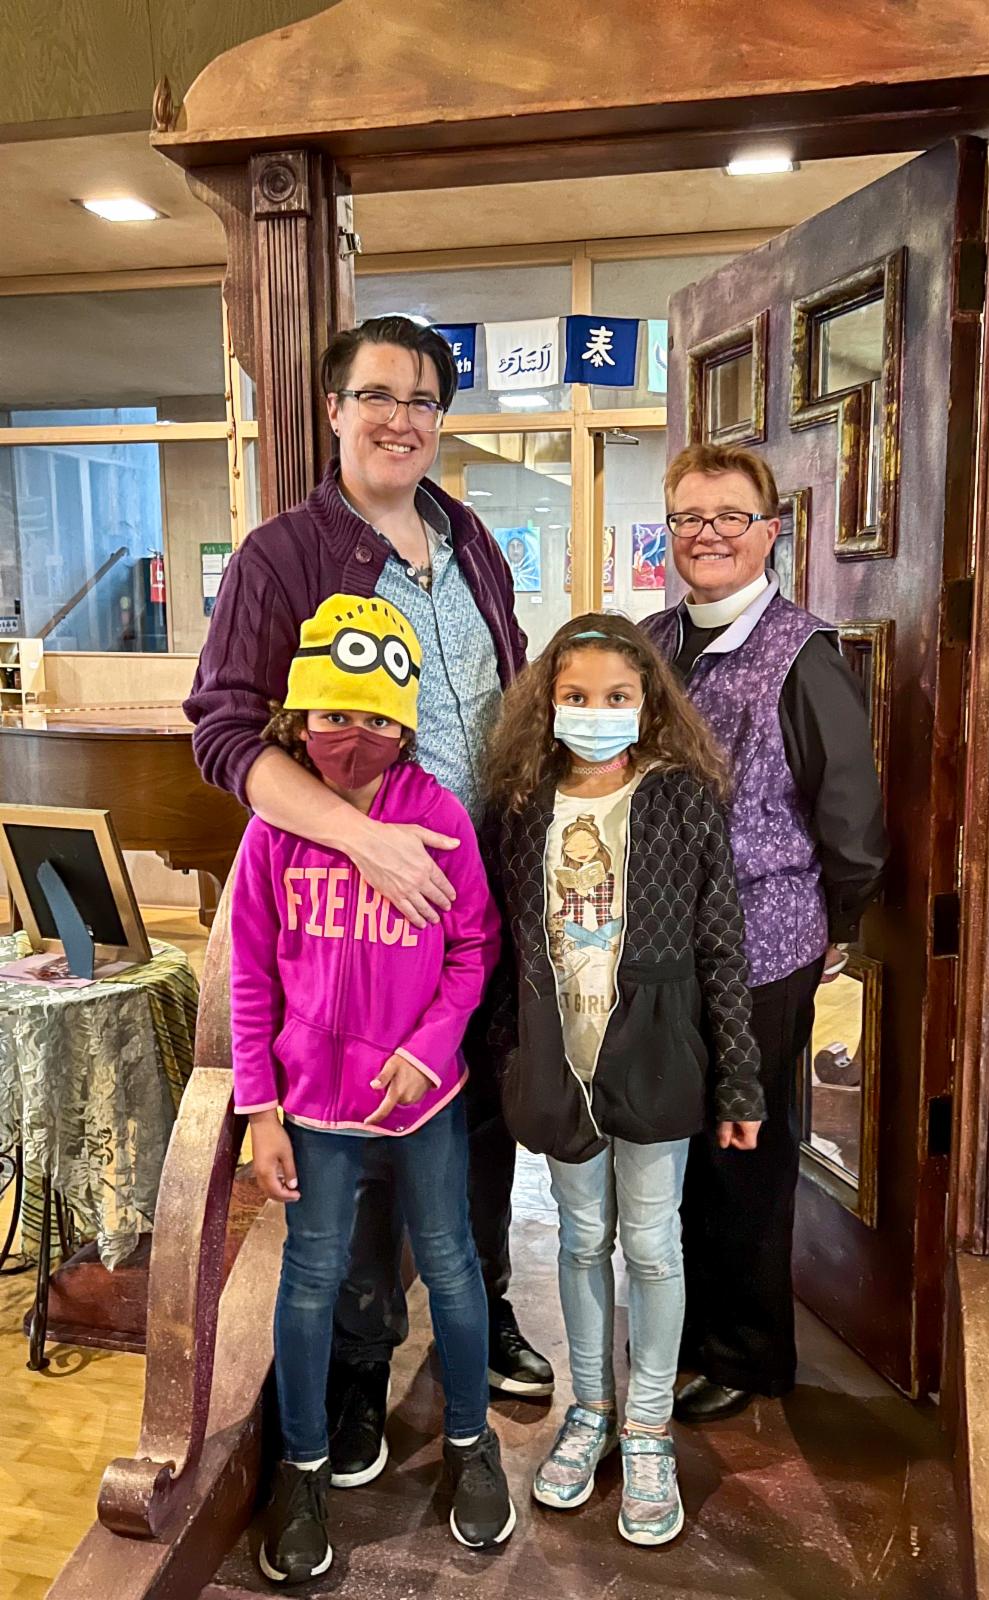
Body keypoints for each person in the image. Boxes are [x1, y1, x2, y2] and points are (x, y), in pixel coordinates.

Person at [186, 316, 553, 1494]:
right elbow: (225, 735)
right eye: (379, 395)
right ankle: (354, 1368)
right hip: (351, 903)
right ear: (335, 409)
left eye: (424, 399)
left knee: (471, 1116)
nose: (403, 418)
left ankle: (482, 1314)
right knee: (353, 1145)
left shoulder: (471, 540)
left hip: (477, 891)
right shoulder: (282, 556)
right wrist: (365, 840)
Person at [231, 595, 515, 1581]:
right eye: (334, 716)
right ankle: (304, 1467)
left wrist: (431, 1049)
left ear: (408, 722)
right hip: (312, 1108)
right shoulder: (275, 830)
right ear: (298, 716)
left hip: (423, 1104)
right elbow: (252, 974)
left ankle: (473, 1440)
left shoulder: (438, 816)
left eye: (378, 720)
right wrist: (259, 1107)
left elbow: (474, 947)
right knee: (310, 1279)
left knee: (452, 1265)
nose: (355, 738)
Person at [484, 614, 765, 1546]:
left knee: (652, 1245)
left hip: (655, 1055)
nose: (594, 712)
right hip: (557, 1056)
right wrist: (508, 1060)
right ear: (547, 703)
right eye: (575, 696)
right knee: (580, 1240)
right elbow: (504, 947)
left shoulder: (682, 798)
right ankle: (590, 1408)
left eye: (615, 697)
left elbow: (722, 945)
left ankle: (647, 1428)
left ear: (648, 705)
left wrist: (739, 1083)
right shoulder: (523, 805)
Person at [642, 442, 887, 1424]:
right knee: (673, 1147)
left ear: (771, 533)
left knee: (744, 1153)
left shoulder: (803, 654)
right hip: (660, 948)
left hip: (763, 945)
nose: (708, 534)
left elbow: (852, 817)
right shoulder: (653, 642)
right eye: (689, 518)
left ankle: (746, 1352)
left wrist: (838, 926)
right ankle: (683, 1325)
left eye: (729, 517)